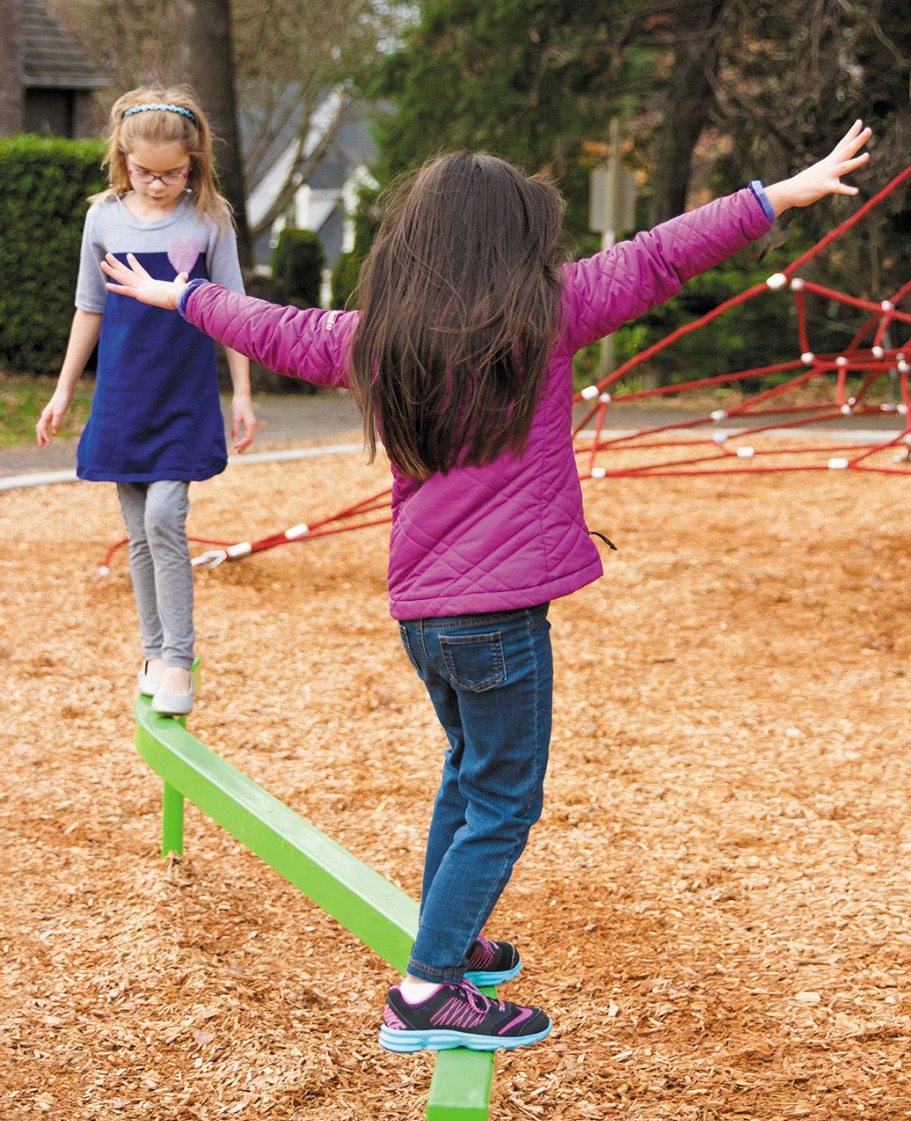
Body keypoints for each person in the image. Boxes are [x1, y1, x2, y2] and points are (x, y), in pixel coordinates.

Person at [100, 121, 871, 1049]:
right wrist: (775, 194)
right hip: (501, 617)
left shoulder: (371, 338)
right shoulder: (545, 315)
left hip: (426, 614)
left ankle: (450, 945)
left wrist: (181, 296)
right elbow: (658, 256)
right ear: (515, 241)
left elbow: (271, 327)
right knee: (504, 799)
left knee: (468, 778)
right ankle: (428, 995)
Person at [36, 84, 256, 717]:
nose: (159, 184)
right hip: (123, 399)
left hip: (182, 401)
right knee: (137, 534)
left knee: (165, 520)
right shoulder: (102, 217)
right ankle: (154, 651)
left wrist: (240, 393)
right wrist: (63, 390)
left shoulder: (210, 219)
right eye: (145, 172)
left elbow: (235, 312)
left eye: (174, 173)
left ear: (194, 162)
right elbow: (90, 306)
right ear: (122, 159)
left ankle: (180, 660)